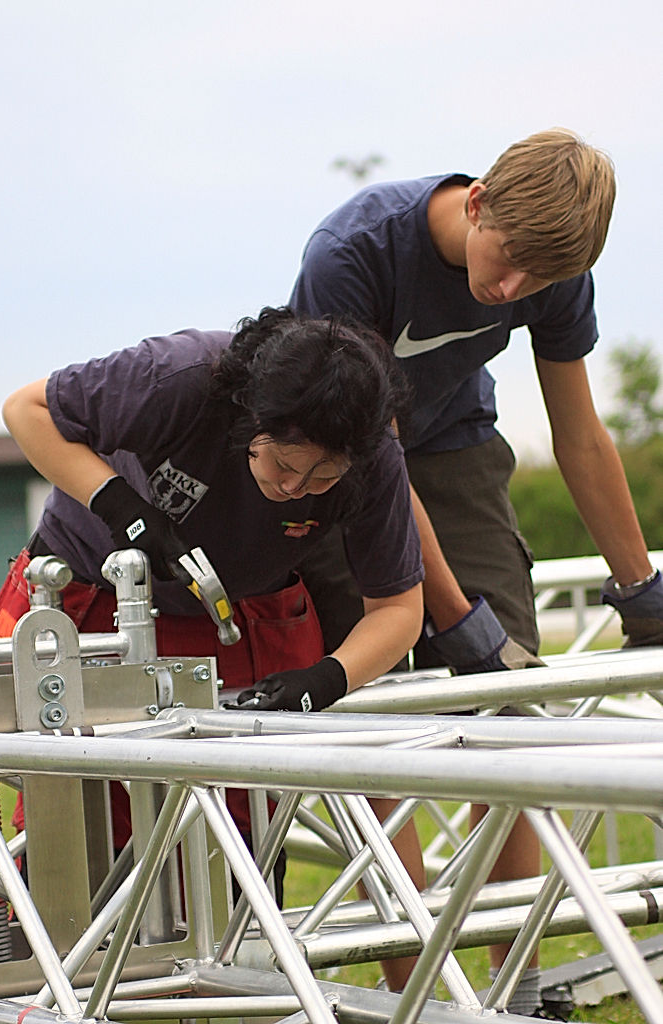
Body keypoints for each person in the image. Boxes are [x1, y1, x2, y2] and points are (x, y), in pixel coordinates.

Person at [289, 128, 663, 1015]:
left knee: (510, 715)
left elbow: (577, 430)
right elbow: (375, 458)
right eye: (506, 265)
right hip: (342, 460)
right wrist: (454, 620)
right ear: (480, 197)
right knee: (375, 727)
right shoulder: (354, 254)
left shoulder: (551, 266)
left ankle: (518, 996)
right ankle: (426, 997)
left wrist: (639, 586)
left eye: (536, 280)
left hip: (455, 447)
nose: (510, 291)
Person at [0, 306, 424, 920]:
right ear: (252, 420)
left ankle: (230, 982)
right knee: (73, 819)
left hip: (240, 615)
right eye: (285, 465)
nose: (297, 488)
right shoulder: (183, 373)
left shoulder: (377, 456)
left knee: (239, 829)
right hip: (87, 595)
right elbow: (26, 411)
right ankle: (67, 987)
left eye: (325, 476)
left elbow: (399, 607)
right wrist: (125, 509)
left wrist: (324, 680)